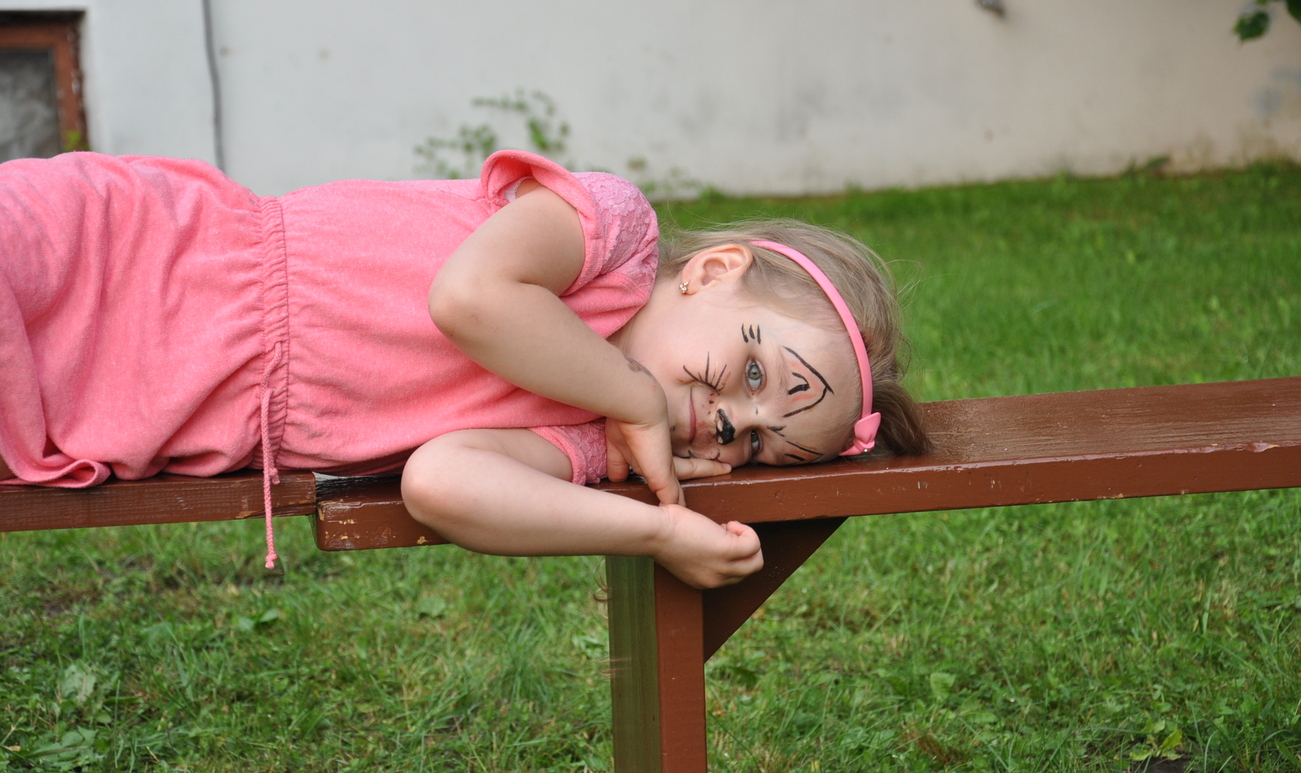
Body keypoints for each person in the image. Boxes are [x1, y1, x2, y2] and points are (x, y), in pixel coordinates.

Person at [0, 150, 928, 589]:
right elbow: (470, 297)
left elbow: (441, 483)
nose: (727, 422)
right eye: (754, 377)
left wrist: (650, 529)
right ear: (715, 270)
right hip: (133, 255)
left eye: (756, 446)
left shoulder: (581, 440)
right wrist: (635, 394)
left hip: (156, 397)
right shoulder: (612, 235)